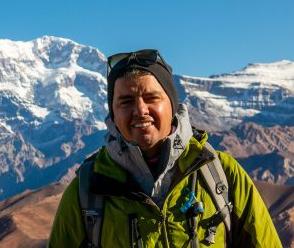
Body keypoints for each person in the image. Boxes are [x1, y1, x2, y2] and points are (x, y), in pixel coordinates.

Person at [48, 49, 281, 247]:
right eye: (126, 101)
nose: (140, 110)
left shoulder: (222, 175)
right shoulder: (87, 190)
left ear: (172, 105)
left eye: (151, 98)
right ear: (113, 114)